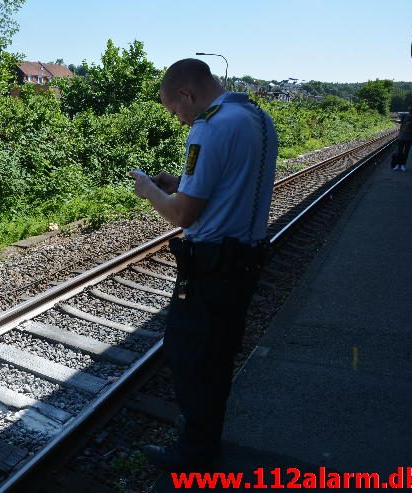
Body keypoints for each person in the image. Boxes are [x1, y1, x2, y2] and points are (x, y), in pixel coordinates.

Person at [131, 58, 278, 471]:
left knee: (191, 354)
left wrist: (149, 191)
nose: (178, 120)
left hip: (212, 266)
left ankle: (195, 453)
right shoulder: (256, 118)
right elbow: (228, 186)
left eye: (173, 109)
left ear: (186, 94)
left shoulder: (208, 127)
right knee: (217, 351)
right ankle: (204, 430)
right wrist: (179, 185)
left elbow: (182, 216)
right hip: (244, 260)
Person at [394, 103, 412, 171]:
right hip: (402, 137)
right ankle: (397, 165)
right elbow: (401, 126)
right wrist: (399, 135)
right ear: (408, 107)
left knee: (406, 152)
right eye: (409, 106)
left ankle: (403, 165)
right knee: (399, 152)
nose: (410, 107)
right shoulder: (404, 115)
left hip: (410, 137)